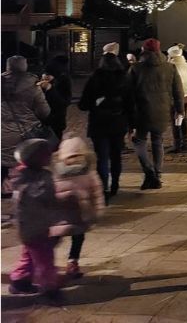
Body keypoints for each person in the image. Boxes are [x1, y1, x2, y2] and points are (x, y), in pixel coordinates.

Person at [128, 38, 184, 190]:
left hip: (141, 111)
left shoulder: (136, 68)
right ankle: (157, 174)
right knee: (157, 141)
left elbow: (128, 93)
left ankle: (149, 172)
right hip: (162, 110)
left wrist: (129, 116)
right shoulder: (169, 67)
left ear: (143, 50)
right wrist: (180, 110)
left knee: (139, 141)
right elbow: (178, 91)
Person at [8, 139, 60, 298]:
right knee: (45, 260)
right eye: (46, 155)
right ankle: (49, 289)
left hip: (29, 226)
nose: (50, 157)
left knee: (30, 254)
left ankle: (20, 281)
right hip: (37, 227)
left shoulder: (22, 175)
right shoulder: (35, 178)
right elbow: (41, 198)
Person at [50, 135, 105, 280]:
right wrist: (98, 211)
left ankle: (47, 263)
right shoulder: (89, 172)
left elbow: (49, 192)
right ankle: (72, 262)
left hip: (60, 215)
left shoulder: (56, 172)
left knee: (54, 239)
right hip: (80, 213)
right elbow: (97, 192)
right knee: (77, 238)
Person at [78, 53, 131, 203]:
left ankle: (104, 189)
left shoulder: (95, 79)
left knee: (102, 157)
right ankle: (115, 185)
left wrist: (96, 103)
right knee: (116, 156)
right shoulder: (124, 79)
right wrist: (131, 123)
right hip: (118, 122)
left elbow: (83, 104)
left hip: (99, 123)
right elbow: (130, 103)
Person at [2, 56, 51, 186]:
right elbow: (44, 112)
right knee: (26, 169)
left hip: (2, 135)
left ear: (7, 67)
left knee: (3, 169)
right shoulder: (33, 86)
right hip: (25, 136)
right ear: (25, 66)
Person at [167, 44, 187, 153]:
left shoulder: (170, 67)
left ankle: (177, 144)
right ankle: (185, 140)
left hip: (175, 97)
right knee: (182, 118)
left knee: (175, 119)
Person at [40, 56, 72, 141]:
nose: (46, 76)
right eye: (45, 73)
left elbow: (64, 103)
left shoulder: (64, 81)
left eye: (49, 74)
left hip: (56, 122)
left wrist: (50, 89)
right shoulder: (40, 82)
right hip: (42, 122)